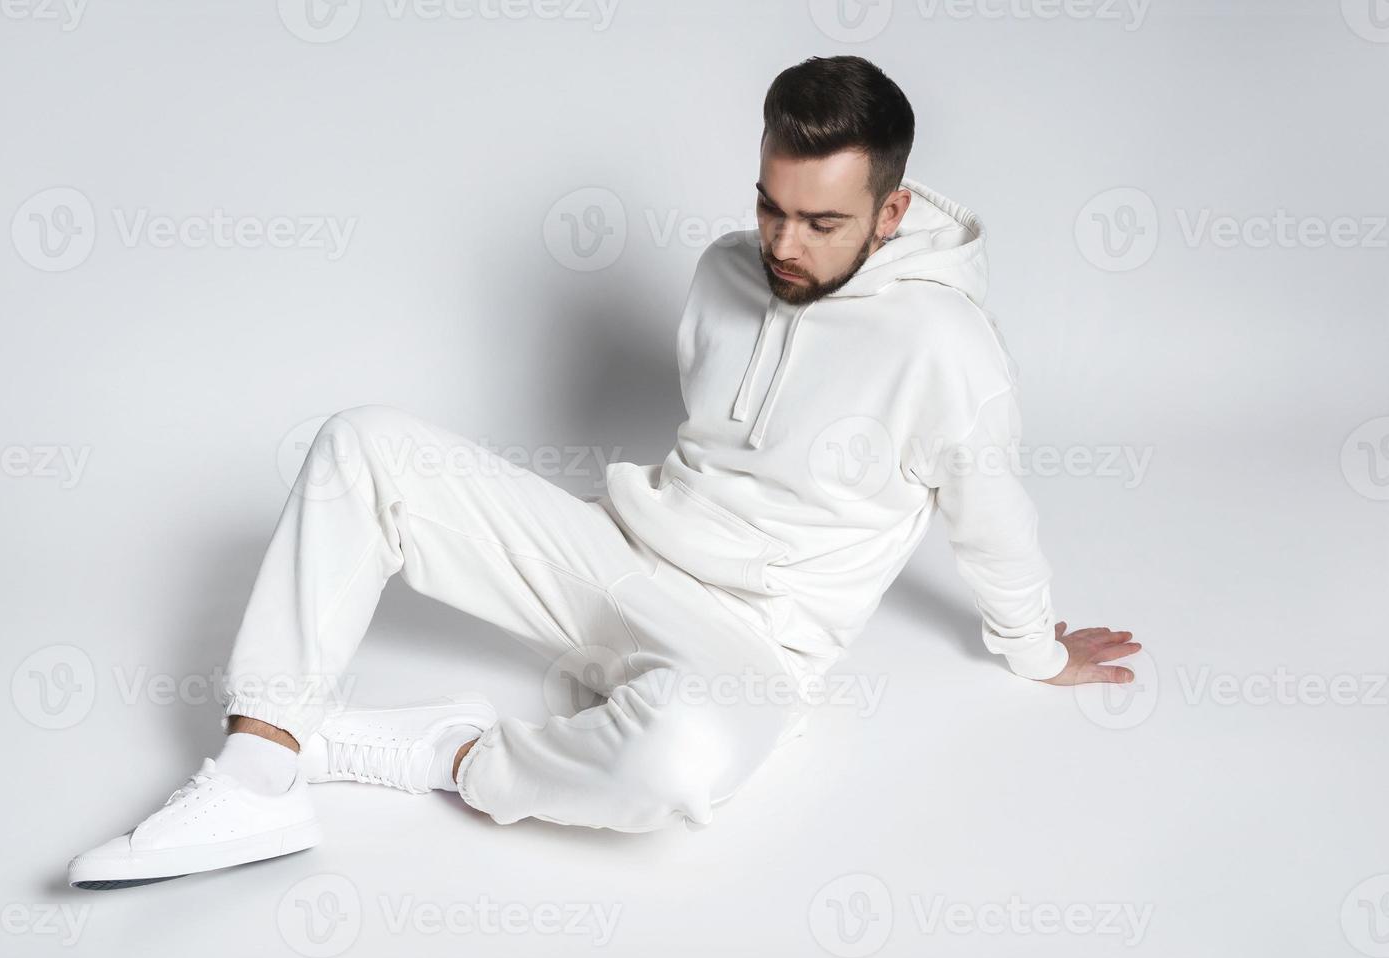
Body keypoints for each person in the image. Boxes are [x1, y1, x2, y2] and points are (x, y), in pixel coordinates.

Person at [67, 54, 1141, 889]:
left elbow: (990, 515)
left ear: (892, 213)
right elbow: (719, 439)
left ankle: (449, 753)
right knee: (363, 443)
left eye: (822, 222)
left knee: (678, 765)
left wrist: (1036, 645)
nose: (783, 242)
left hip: (752, 640)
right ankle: (258, 769)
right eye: (771, 205)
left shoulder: (947, 348)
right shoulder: (726, 272)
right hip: (619, 553)